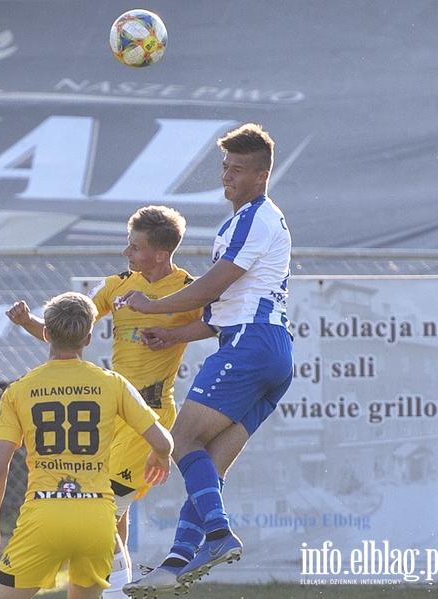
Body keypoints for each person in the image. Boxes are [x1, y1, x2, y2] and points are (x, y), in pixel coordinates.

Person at [121, 123, 294, 598]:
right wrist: (172, 334)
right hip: (268, 350)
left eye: (238, 169)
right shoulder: (242, 222)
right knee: (208, 469)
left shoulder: (257, 218)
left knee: (181, 440)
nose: (227, 176)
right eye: (224, 167)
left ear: (261, 175)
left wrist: (151, 305)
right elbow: (218, 315)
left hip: (252, 345)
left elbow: (213, 286)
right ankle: (176, 562)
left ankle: (219, 536)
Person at [6, 205, 202, 597]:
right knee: (110, 513)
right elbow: (66, 332)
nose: (126, 254)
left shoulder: (189, 289)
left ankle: (115, 591)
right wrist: (28, 323)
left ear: (160, 254)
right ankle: (114, 585)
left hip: (148, 416)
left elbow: (219, 324)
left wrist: (175, 337)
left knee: (100, 509)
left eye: (134, 248)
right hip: (110, 416)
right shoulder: (116, 286)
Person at [0, 291, 174, 599]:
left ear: (45, 333)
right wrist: (160, 456)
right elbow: (163, 441)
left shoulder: (19, 390)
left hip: (44, 514)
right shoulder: (113, 383)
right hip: (96, 518)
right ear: (88, 339)